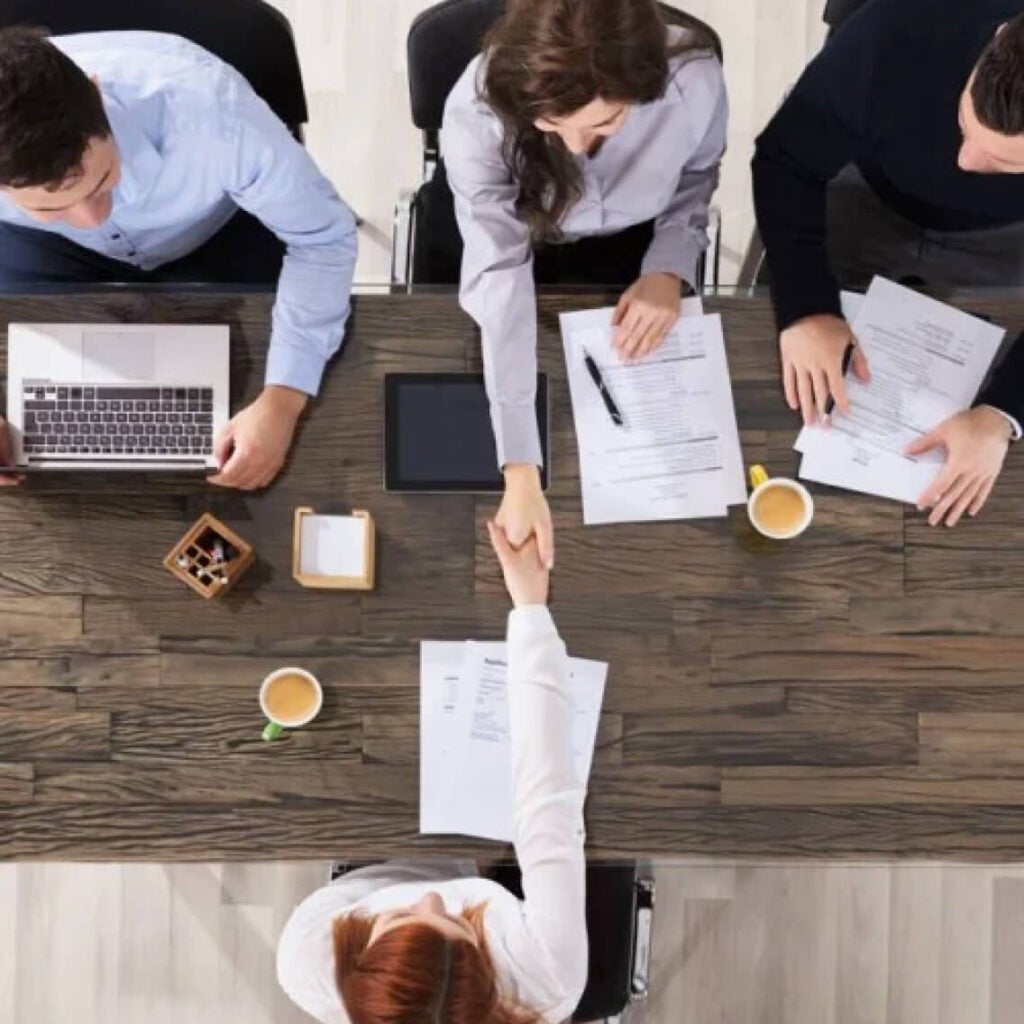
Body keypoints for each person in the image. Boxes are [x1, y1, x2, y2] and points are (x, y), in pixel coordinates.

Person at [0, 28, 357, 491]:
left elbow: (322, 239)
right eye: (49, 205)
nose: (90, 218)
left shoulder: (211, 109)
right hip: (47, 252)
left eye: (102, 178)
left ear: (96, 93)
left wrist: (283, 400)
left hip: (215, 232)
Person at [443, 0, 727, 565]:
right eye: (551, 124)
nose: (576, 146)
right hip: (523, 237)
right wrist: (522, 466)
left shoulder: (693, 80)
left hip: (637, 243)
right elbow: (500, 275)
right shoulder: (476, 108)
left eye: (605, 123)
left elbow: (697, 176)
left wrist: (668, 266)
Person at [276, 522, 588, 1024]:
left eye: (401, 916)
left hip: (384, 860)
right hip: (495, 864)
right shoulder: (545, 979)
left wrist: (416, 894)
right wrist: (530, 608)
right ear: (487, 986)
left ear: (358, 965)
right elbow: (547, 798)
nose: (431, 899)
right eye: (456, 923)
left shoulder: (307, 957)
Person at [752, 0, 1024, 527]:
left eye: (1004, 162)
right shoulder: (897, 29)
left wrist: (1003, 414)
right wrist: (807, 307)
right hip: (865, 195)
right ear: (997, 40)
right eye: (965, 124)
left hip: (1005, 241)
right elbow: (786, 159)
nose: (965, 163)